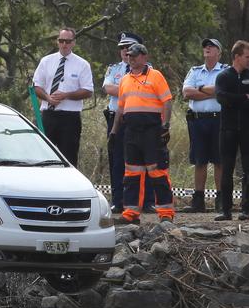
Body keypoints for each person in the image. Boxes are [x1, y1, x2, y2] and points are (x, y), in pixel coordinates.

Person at [109, 43, 175, 224]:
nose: (131, 59)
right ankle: (131, 213)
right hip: (131, 131)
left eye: (135, 56)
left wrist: (166, 125)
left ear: (144, 57)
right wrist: (114, 132)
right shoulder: (124, 79)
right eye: (129, 56)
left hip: (151, 131)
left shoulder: (155, 76)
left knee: (157, 171)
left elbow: (167, 101)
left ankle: (166, 213)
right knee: (132, 173)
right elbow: (120, 109)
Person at [103, 32, 155, 214]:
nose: (125, 51)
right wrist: (130, 88)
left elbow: (149, 90)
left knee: (145, 160)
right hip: (116, 119)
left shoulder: (149, 71)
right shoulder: (114, 69)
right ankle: (118, 200)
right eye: (122, 48)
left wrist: (125, 90)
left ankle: (148, 201)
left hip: (140, 120)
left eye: (129, 47)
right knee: (117, 161)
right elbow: (108, 88)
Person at [214, 40, 249, 221]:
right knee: (227, 168)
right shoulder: (223, 77)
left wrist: (235, 100)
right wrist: (244, 97)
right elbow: (221, 97)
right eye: (248, 57)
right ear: (237, 57)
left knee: (248, 170)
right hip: (227, 129)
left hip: (248, 129)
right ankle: (225, 210)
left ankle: (246, 210)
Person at [33, 27, 93, 166]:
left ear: (73, 43)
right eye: (61, 41)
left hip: (70, 118)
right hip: (48, 115)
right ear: (57, 41)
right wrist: (48, 98)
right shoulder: (46, 61)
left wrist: (66, 95)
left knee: (69, 158)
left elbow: (88, 91)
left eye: (68, 41)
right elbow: (36, 86)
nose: (64, 44)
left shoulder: (82, 64)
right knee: (42, 156)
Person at [181, 38, 226, 213]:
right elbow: (186, 92)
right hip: (198, 120)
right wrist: (210, 92)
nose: (207, 48)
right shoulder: (195, 70)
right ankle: (198, 200)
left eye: (211, 46)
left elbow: (222, 90)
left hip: (219, 120)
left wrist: (199, 90)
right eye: (205, 46)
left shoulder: (225, 71)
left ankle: (221, 199)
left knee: (219, 160)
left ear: (219, 52)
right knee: (199, 160)